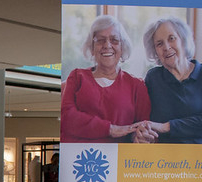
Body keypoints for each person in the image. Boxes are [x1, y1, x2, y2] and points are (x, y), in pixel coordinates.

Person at [61, 15, 150, 143]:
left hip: (117, 158)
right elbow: (67, 117)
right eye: (100, 40)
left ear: (122, 47)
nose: (107, 45)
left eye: (114, 40)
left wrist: (138, 137)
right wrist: (110, 129)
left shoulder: (137, 85)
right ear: (92, 48)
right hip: (77, 158)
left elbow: (141, 128)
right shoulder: (76, 77)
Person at [134, 17, 202, 144]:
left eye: (171, 38)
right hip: (169, 161)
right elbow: (149, 123)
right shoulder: (154, 78)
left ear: (183, 40)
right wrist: (144, 134)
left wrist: (166, 127)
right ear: (155, 51)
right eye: (159, 44)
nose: (166, 47)